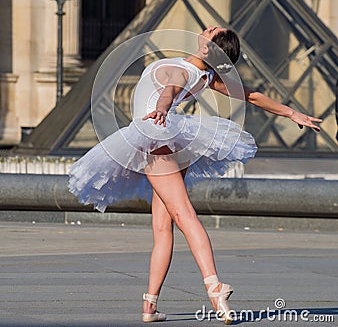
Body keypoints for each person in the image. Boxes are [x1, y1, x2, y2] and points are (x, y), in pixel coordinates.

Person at [69, 26, 322, 324]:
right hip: (174, 138)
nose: (206, 28)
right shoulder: (207, 77)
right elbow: (252, 96)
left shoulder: (183, 70)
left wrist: (162, 111)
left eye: (211, 31)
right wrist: (292, 113)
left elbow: (169, 91)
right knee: (163, 225)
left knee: (183, 215)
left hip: (157, 135)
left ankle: (214, 286)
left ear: (207, 49)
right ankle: (149, 307)